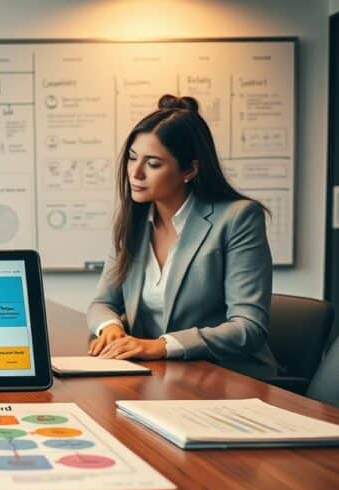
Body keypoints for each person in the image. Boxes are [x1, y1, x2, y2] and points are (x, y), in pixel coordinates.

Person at [86, 94, 278, 378]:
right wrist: (111, 328)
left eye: (153, 164)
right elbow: (102, 303)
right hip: (158, 376)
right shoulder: (135, 220)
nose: (135, 173)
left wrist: (161, 346)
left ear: (189, 169)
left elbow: (248, 328)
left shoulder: (238, 218)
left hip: (226, 378)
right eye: (132, 158)